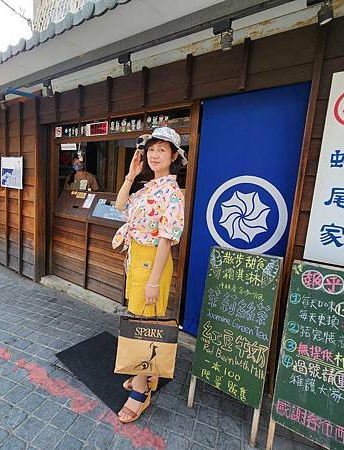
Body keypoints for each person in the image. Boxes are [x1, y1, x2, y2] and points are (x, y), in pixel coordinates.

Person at [112, 127, 187, 423]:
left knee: (145, 324)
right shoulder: (147, 187)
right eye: (152, 149)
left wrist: (155, 280)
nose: (155, 155)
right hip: (138, 258)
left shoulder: (171, 191)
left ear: (173, 157)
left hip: (153, 262)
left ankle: (140, 391)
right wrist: (131, 175)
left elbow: (167, 239)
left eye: (162, 150)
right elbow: (120, 207)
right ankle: (146, 375)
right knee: (139, 319)